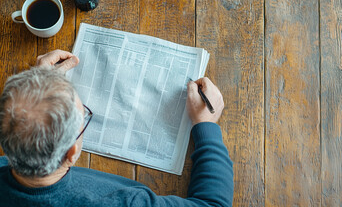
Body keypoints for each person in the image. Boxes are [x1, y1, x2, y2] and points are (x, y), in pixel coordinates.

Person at [0, 50, 233, 206]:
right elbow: (213, 204)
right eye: (84, 117)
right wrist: (206, 126)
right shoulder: (123, 202)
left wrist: (41, 84)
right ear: (71, 153)